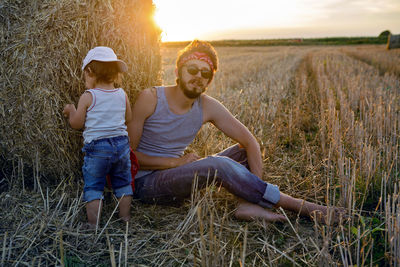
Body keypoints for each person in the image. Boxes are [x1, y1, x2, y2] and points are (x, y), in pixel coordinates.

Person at [128, 40, 340, 223]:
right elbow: (128, 156)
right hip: (146, 184)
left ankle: (246, 205)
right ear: (177, 71)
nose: (198, 76)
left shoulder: (208, 106)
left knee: (242, 150)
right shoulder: (151, 98)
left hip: (177, 177)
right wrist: (176, 162)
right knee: (217, 164)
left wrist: (254, 193)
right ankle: (298, 206)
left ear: (210, 80)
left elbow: (250, 142)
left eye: (205, 73)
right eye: (191, 69)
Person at [63, 46, 133, 228]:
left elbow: (77, 124)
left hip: (98, 149)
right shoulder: (122, 93)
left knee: (94, 186)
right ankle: (125, 218)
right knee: (123, 183)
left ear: (89, 71)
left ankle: (93, 224)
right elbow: (129, 118)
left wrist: (71, 110)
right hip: (122, 146)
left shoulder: (88, 96)